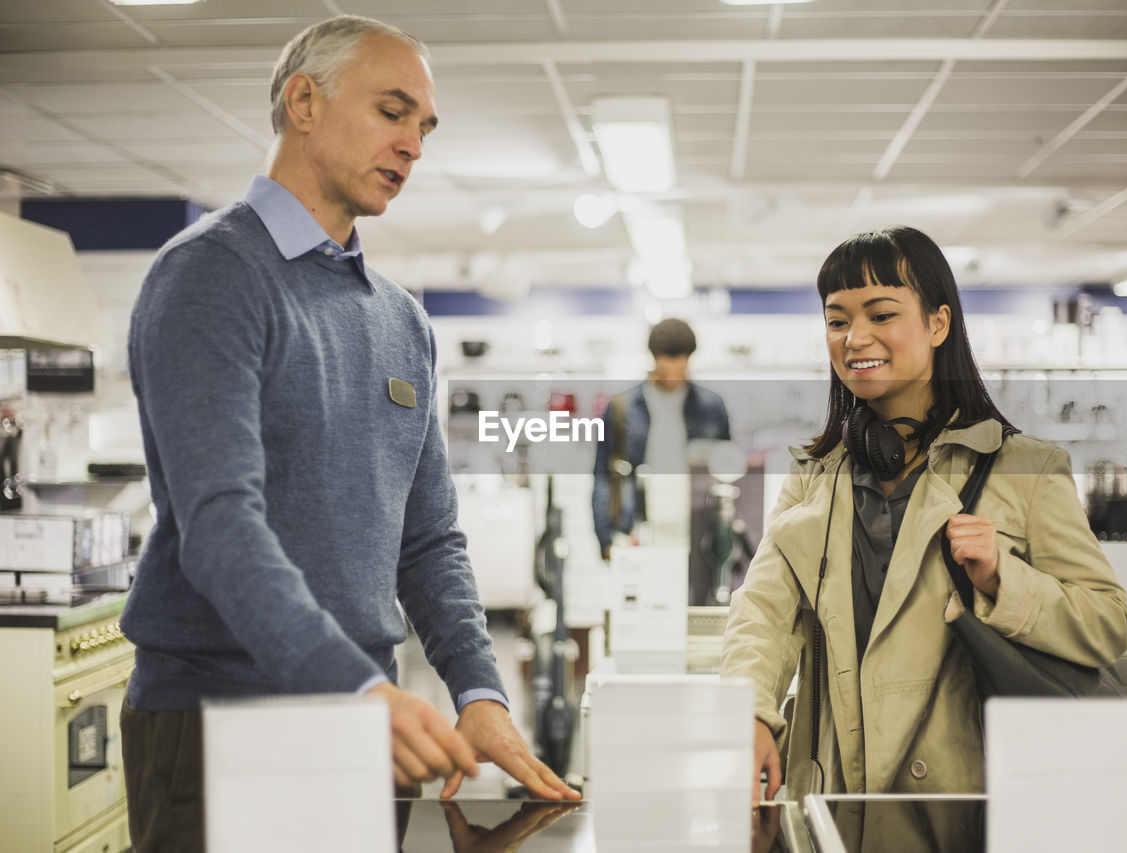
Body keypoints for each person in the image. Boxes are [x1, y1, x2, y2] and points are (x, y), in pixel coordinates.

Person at [120, 15, 577, 851]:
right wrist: (361, 693)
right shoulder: (211, 275)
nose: (413, 145)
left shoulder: (401, 319)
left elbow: (428, 538)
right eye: (392, 112)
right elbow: (220, 527)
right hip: (223, 720)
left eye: (424, 127)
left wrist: (479, 691)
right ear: (303, 102)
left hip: (364, 723)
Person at [719, 226, 1127, 801]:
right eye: (837, 321)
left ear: (938, 324)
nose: (854, 338)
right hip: (835, 797)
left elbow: (1108, 623)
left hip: (960, 805)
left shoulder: (1026, 468)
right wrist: (750, 711)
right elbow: (763, 611)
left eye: (881, 315)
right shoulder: (815, 476)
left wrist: (1000, 580)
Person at [591, 318, 731, 561]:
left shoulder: (711, 407)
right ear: (654, 359)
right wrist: (605, 537)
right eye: (666, 367)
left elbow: (727, 471)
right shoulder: (621, 408)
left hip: (696, 528)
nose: (674, 376)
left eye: (681, 366)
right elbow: (603, 475)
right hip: (638, 527)